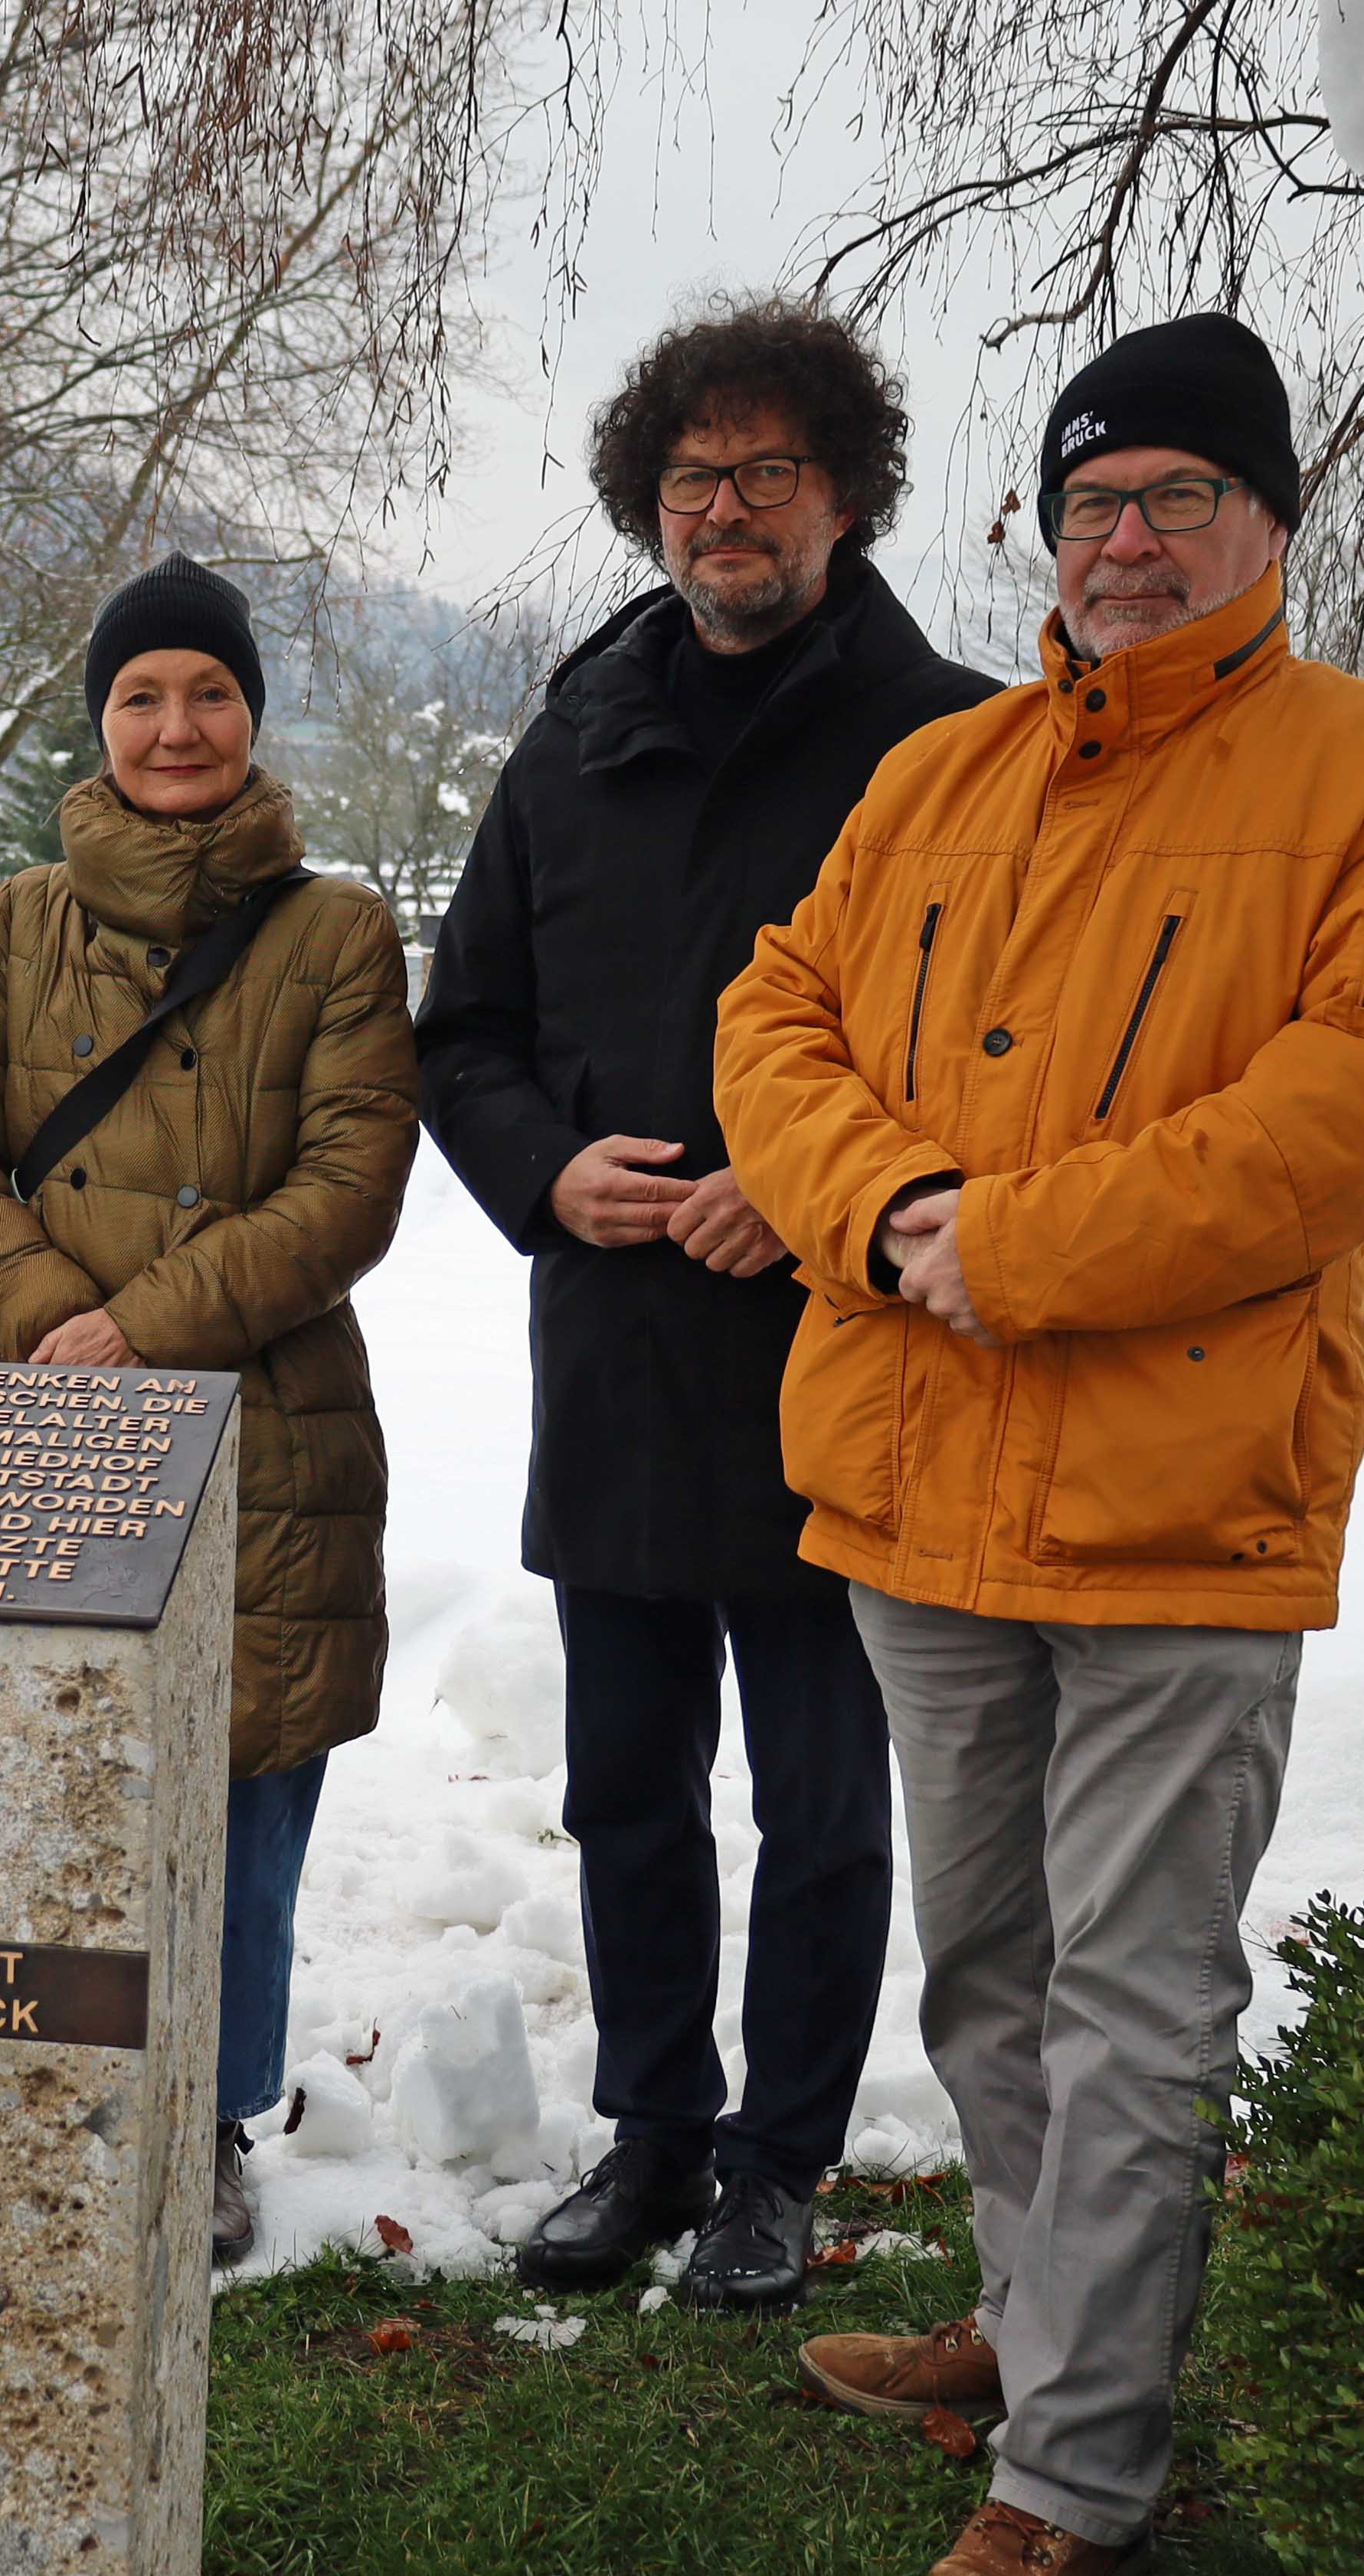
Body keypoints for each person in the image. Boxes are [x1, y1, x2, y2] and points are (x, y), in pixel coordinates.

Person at [718, 312, 1364, 2576]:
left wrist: (1011, 1247)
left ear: (1267, 524)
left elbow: (1353, 1112)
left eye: (1174, 499)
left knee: (1134, 1993)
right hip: (916, 1486)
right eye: (1089, 503)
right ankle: (1041, 2322)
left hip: (1182, 1508)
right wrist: (879, 1215)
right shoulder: (941, 774)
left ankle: (1079, 2476)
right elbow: (777, 1014)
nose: (1127, 543)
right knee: (984, 1972)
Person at [418, 300, 996, 2314]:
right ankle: (653, 2128)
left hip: (840, 1353)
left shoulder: (947, 746)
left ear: (845, 496)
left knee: (824, 1802)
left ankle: (779, 2156)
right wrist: (543, 1171)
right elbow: (464, 1027)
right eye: (689, 481)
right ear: (643, 508)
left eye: (765, 474)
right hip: (609, 1344)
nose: (724, 510)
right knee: (621, 1786)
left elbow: (1000, 1061)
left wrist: (816, 1189)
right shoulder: (576, 735)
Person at [0, 556, 419, 2267]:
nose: (175, 725)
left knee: (243, 1789)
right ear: (101, 719)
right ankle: (48, 2092)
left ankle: (201, 2126)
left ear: (251, 712)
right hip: (39, 1418)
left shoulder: (335, 927)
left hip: (263, 1428)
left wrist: (144, 1322)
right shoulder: (25, 918)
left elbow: (351, 1182)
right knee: (49, 1778)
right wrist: (54, 1316)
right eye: (142, 695)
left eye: (206, 692)